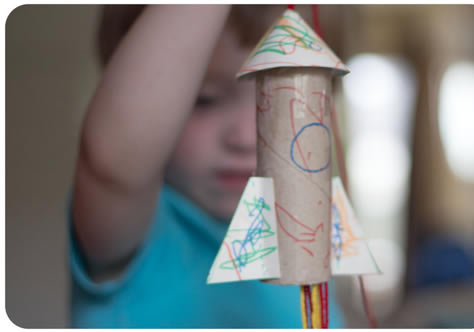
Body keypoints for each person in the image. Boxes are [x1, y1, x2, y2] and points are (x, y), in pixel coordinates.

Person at [69, 4, 346, 328]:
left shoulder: (305, 235)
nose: (246, 136)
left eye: (286, 100)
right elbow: (112, 163)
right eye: (204, 99)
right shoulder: (136, 232)